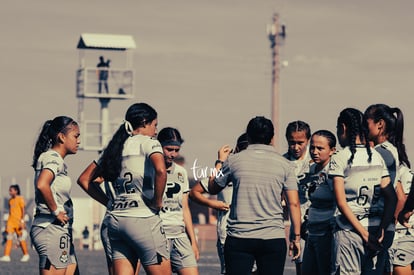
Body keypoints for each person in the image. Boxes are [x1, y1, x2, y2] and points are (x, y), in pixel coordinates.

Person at [77, 102, 171, 275]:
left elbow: (84, 180)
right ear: (144, 122)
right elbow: (161, 170)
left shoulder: (114, 147)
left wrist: (109, 203)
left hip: (115, 221)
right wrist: (157, 202)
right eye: (155, 125)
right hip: (142, 218)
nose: (156, 131)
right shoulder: (150, 142)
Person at [208, 116, 301, 275]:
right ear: (272, 138)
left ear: (248, 136)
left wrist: (219, 162)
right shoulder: (285, 164)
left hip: (239, 237)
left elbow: (212, 188)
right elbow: (293, 203)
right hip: (273, 237)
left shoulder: (233, 161)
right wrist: (296, 237)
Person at [329, 107, 397, 274]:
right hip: (375, 232)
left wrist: (364, 234)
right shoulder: (376, 156)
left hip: (349, 232)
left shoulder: (340, 158)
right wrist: (381, 229)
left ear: (343, 128)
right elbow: (392, 198)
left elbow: (341, 203)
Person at [189, 133, 249, 275]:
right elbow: (194, 192)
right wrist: (214, 204)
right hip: (227, 233)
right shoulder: (227, 169)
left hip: (252, 232)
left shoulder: (258, 171)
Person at [363, 103, 412, 274]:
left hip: (378, 228)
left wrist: (383, 227)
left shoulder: (381, 153)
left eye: (366, 122)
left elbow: (397, 198)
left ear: (380, 124)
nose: (363, 127)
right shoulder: (390, 150)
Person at [29, 116, 80, 275]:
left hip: (58, 229)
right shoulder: (53, 158)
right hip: (50, 228)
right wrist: (56, 210)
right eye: (76, 136)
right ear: (62, 137)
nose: (79, 141)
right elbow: (42, 184)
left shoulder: (55, 159)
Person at [156, 127, 199, 275]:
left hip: (180, 235)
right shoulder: (148, 170)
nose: (173, 154)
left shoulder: (181, 172)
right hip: (159, 236)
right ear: (159, 146)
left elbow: (185, 208)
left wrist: (193, 241)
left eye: (176, 150)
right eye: (169, 149)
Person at [301, 130, 336, 275]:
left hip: (326, 234)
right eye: (312, 148)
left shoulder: (334, 171)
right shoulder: (312, 169)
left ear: (332, 151)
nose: (315, 152)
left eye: (320, 148)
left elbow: (339, 201)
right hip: (312, 232)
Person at [283, 120, 312, 275]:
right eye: (292, 142)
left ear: (308, 140)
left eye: (300, 143)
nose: (296, 147)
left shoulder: (316, 159)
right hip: (297, 223)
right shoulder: (282, 162)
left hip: (319, 220)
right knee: (301, 266)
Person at [0, 184, 30, 262]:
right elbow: (10, 211)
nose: (10, 192)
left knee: (21, 238)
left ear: (16, 191)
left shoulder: (20, 199)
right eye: (9, 190)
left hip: (18, 222)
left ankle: (26, 254)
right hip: (11, 222)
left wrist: (22, 221)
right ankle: (7, 255)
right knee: (9, 237)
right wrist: (7, 222)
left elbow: (23, 210)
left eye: (11, 190)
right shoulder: (10, 200)